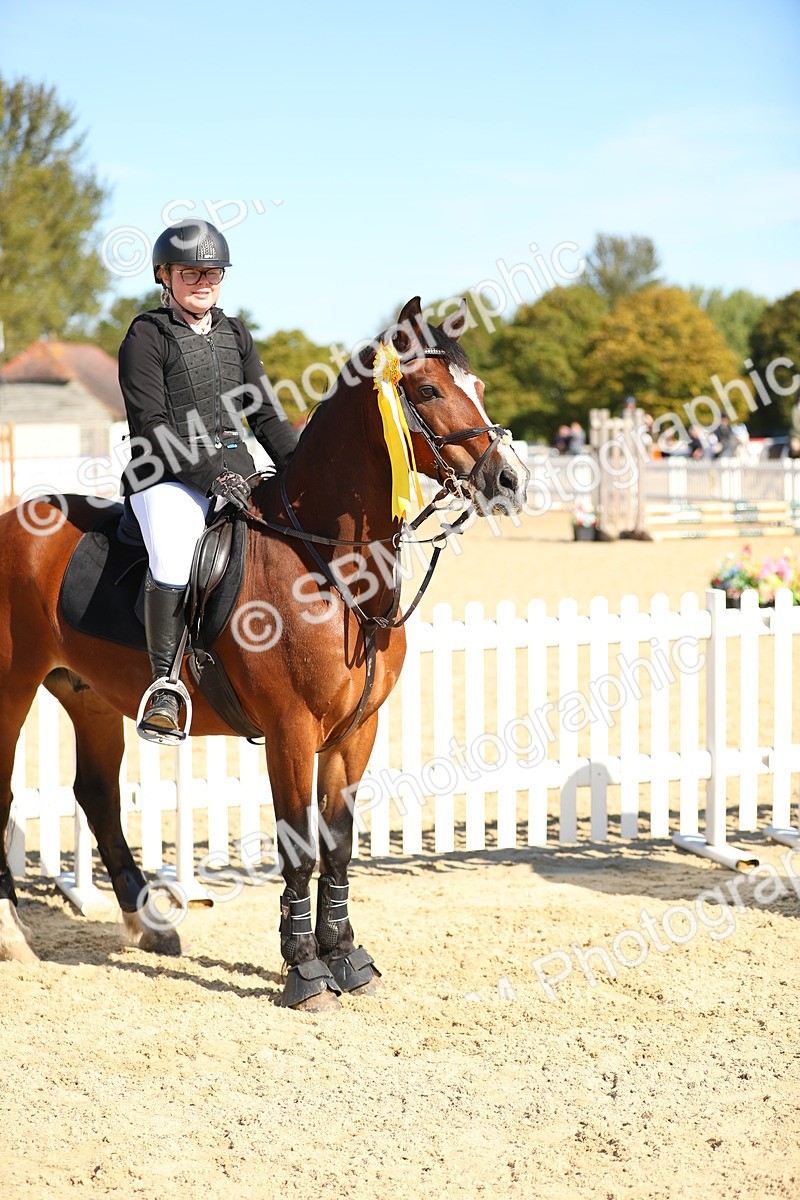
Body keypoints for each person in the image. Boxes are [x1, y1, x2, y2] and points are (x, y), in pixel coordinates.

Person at [118, 218, 298, 742]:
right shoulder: (146, 335)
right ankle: (166, 689)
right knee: (175, 554)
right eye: (192, 271)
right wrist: (211, 476)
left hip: (234, 470)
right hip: (165, 474)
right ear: (165, 276)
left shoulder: (235, 333)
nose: (204, 280)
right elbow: (150, 427)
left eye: (213, 271)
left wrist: (298, 471)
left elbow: (264, 415)